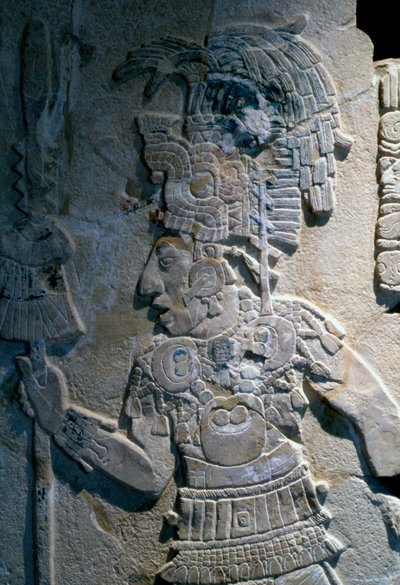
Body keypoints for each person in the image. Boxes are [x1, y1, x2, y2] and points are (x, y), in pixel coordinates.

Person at [17, 19, 400, 585]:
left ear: (208, 274)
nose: (147, 286)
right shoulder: (158, 366)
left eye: (166, 263)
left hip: (297, 562)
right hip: (202, 562)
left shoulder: (289, 328)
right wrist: (61, 422)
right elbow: (148, 475)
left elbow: (379, 417)